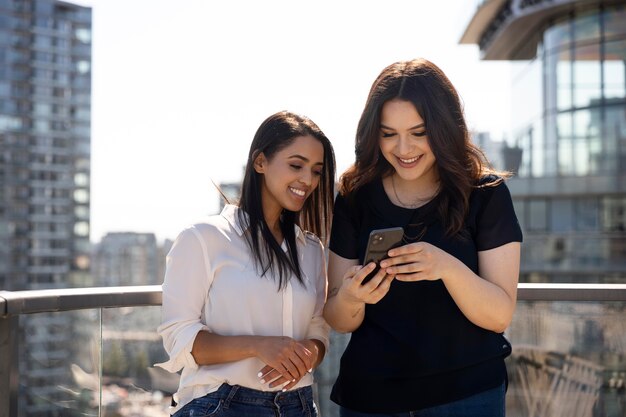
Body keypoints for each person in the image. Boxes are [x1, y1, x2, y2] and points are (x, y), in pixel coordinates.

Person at [323, 58, 523, 417]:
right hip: (372, 397)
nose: (404, 148)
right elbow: (340, 320)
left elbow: (499, 315)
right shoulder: (354, 197)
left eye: (418, 133)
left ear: (444, 127)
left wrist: (446, 267)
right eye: (388, 134)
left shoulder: (485, 194)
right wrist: (352, 296)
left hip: (467, 395)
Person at [157, 110, 336, 417]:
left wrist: (309, 354)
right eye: (296, 165)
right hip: (221, 404)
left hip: (299, 404)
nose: (307, 180)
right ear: (260, 162)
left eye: (317, 171)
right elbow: (179, 339)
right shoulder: (203, 237)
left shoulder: (310, 250)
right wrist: (258, 346)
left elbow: (318, 329)